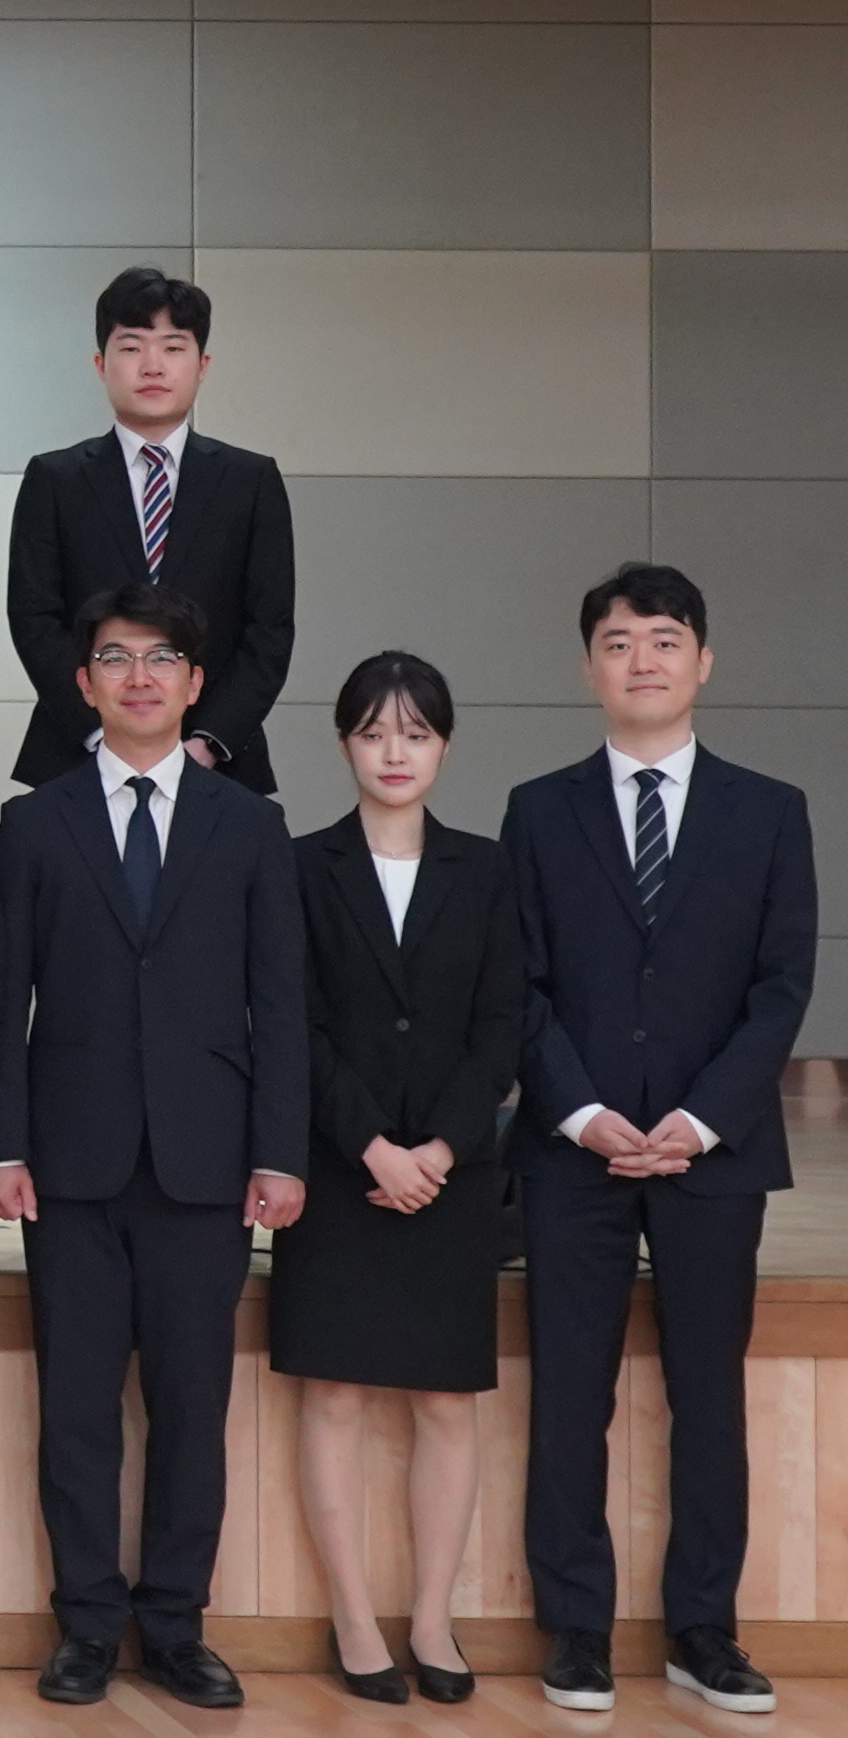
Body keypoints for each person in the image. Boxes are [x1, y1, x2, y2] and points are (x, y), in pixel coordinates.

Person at [0, 581, 307, 1711]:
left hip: (205, 1162)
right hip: (66, 1162)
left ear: (196, 683)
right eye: (116, 658)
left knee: (190, 1408)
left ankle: (174, 1623)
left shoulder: (249, 824)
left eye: (162, 658)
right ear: (83, 683)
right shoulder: (34, 822)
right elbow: (2, 1002)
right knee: (75, 1407)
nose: (140, 677)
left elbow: (281, 1002)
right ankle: (83, 1623)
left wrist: (280, 1152)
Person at [503, 564, 812, 1717]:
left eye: (666, 638)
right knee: (568, 1393)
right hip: (572, 1148)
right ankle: (576, 1626)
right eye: (620, 640)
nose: (644, 659)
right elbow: (520, 981)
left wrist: (703, 1115)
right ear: (590, 665)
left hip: (713, 1150)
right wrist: (583, 1112)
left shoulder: (770, 808)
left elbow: (781, 986)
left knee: (708, 1393)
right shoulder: (540, 809)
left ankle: (703, 1628)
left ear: (704, 661)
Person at [270, 652, 523, 1706]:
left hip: (454, 1175)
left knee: (448, 1402)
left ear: (444, 746)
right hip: (340, 1169)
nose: (394, 752)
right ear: (344, 744)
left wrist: (444, 1148)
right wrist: (371, 1144)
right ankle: (354, 1618)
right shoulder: (298, 866)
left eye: (415, 733)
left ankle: (431, 1618)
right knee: (332, 1391)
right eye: (374, 732)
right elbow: (292, 1022)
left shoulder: (490, 869)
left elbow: (503, 1023)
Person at [6, 265, 297, 796]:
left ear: (203, 365)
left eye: (173, 347)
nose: (152, 365)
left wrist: (207, 743)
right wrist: (102, 735)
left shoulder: (250, 480)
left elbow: (269, 630)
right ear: (101, 364)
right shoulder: (55, 478)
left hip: (219, 760)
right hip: (77, 754)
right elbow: (34, 619)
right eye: (132, 346)